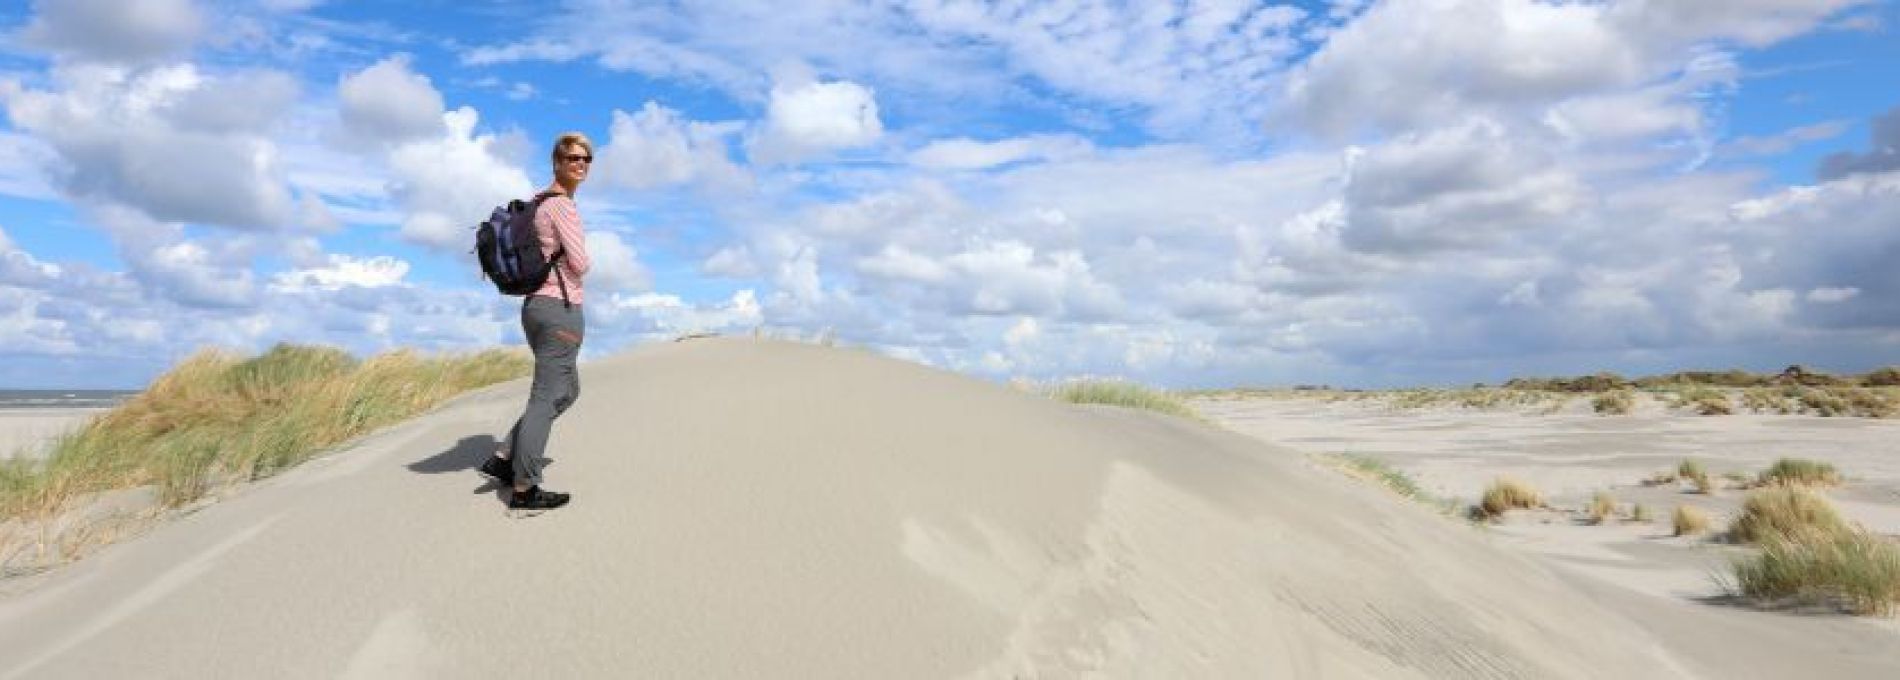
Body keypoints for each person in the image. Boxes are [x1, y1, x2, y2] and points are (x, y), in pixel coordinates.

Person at [479, 132, 594, 511]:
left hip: (536, 307)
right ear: (557, 163)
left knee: (567, 391)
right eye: (573, 157)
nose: (580, 164)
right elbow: (581, 263)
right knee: (547, 396)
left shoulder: (538, 203)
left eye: (586, 159)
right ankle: (525, 487)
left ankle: (503, 457)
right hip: (558, 307)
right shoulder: (562, 207)